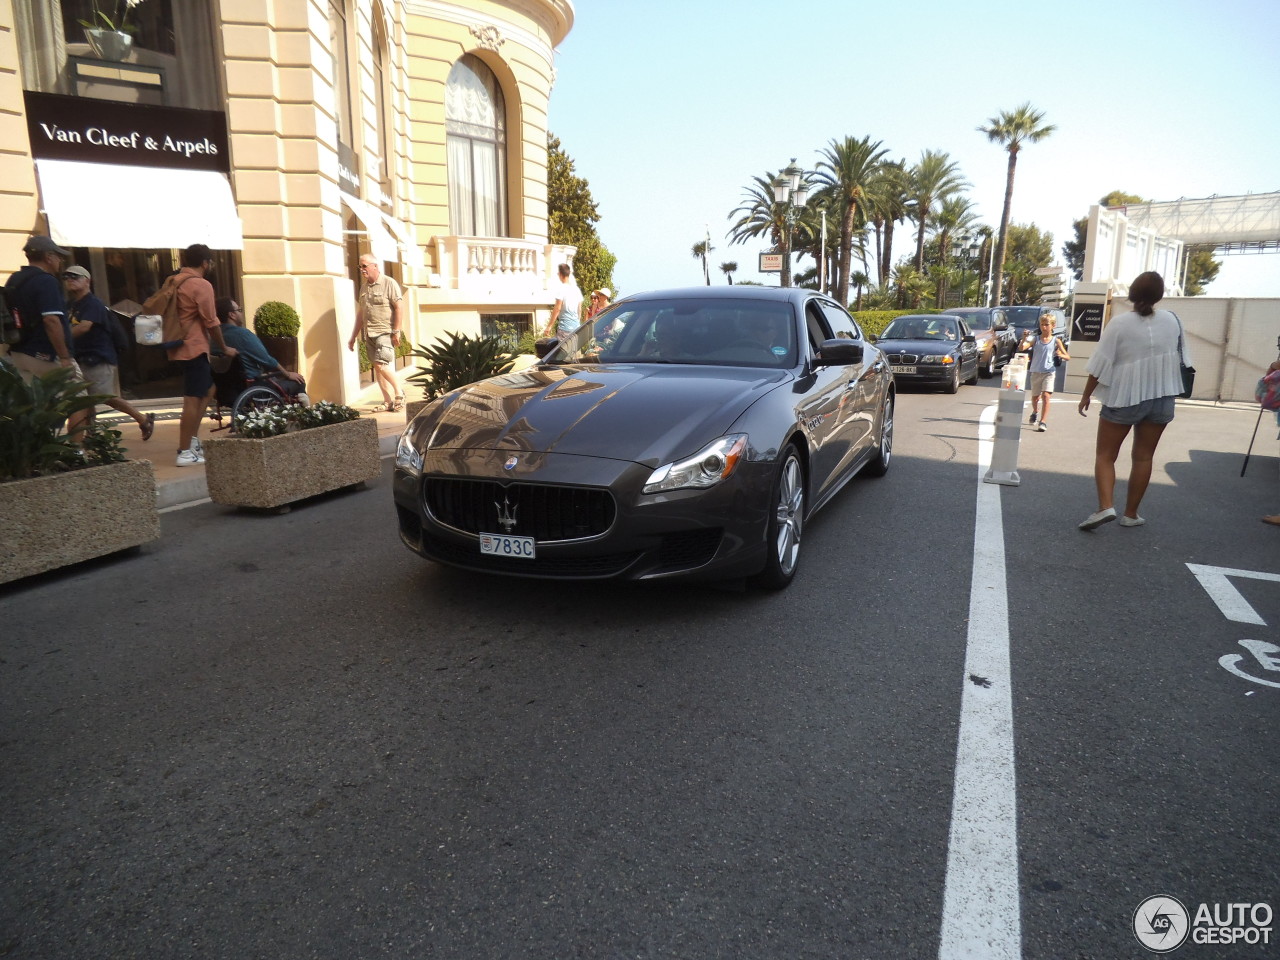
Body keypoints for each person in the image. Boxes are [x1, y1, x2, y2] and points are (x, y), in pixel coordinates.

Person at [1076, 271, 1189, 530]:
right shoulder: (1173, 320)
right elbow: (1183, 356)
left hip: (1124, 395)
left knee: (1105, 455)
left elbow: (1100, 364)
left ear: (1133, 292)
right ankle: (1131, 514)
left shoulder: (1120, 323)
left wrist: (1086, 395)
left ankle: (1105, 507)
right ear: (1159, 295)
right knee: (1144, 456)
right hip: (1162, 395)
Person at [4, 235, 88, 443]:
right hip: (45, 353)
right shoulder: (46, 282)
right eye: (59, 257)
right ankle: (76, 451)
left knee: (37, 405)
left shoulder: (15, 279)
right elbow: (51, 321)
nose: (60, 261)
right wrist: (65, 357)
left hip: (19, 351)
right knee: (78, 398)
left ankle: (38, 451)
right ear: (49, 257)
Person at [65, 264, 154, 441]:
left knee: (103, 397)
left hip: (97, 358)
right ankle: (90, 435)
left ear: (87, 281)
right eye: (67, 277)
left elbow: (84, 327)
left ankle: (142, 419)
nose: (70, 280)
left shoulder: (92, 303)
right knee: (86, 399)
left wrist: (60, 339)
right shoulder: (74, 305)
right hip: (82, 357)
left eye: (75, 277)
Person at [167, 243, 236, 467]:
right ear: (205, 262)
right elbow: (211, 321)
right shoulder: (200, 285)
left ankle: (192, 441)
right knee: (192, 398)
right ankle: (184, 450)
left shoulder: (173, 280)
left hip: (178, 345)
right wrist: (224, 348)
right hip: (193, 347)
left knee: (208, 390)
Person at [215, 297, 309, 403]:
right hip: (252, 388)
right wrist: (288, 374)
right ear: (231, 315)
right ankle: (305, 413)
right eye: (239, 310)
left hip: (224, 391)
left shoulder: (214, 338)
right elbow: (267, 360)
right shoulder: (243, 335)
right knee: (299, 382)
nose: (241, 313)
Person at [348, 254, 404, 412]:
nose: (362, 270)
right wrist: (353, 337)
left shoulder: (389, 283)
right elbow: (361, 314)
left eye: (364, 266)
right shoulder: (364, 287)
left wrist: (396, 331)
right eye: (360, 267)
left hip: (385, 331)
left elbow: (399, 307)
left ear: (375, 266)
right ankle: (387, 401)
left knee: (381, 365)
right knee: (377, 368)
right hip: (369, 333)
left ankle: (399, 392)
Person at [1019, 315, 1070, 432]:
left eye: (1046, 324)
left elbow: (1068, 357)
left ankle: (1043, 422)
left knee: (1046, 396)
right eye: (1042, 324)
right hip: (1036, 371)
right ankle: (1035, 412)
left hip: (1049, 372)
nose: (1044, 327)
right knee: (1035, 398)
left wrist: (1060, 355)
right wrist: (1024, 338)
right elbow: (1022, 348)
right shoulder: (1036, 339)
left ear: (1053, 326)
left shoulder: (1056, 341)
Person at [543, 263, 583, 341]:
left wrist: (549, 326)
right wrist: (577, 322)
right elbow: (579, 309)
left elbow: (557, 308)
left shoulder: (561, 289)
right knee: (574, 351)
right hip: (576, 328)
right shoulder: (576, 289)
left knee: (562, 352)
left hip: (565, 328)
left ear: (560, 274)